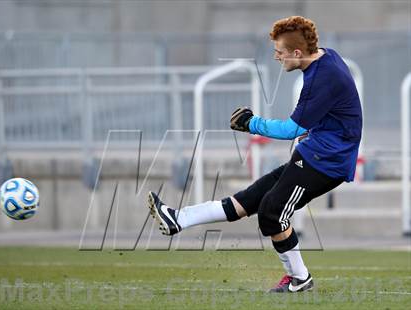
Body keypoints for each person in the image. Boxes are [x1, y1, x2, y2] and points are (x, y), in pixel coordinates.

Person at [147, 15, 362, 293]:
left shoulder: (322, 77)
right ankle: (178, 219)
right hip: (316, 153)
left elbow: (290, 129)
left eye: (280, 52)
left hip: (327, 162)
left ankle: (300, 279)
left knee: (272, 212)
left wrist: (252, 123)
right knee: (246, 201)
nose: (277, 57)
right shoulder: (325, 59)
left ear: (298, 53)